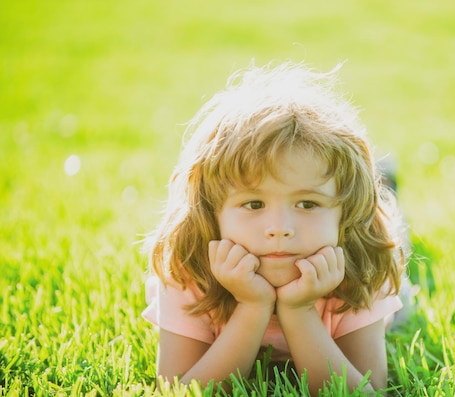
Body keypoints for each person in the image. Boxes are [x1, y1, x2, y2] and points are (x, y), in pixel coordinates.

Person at [142, 61, 407, 394]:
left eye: (307, 204)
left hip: (366, 248)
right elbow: (179, 390)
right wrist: (252, 308)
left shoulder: (361, 264)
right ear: (211, 211)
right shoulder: (189, 269)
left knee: (396, 236)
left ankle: (384, 184)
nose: (279, 229)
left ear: (346, 213)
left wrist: (300, 310)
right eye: (254, 204)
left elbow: (367, 391)